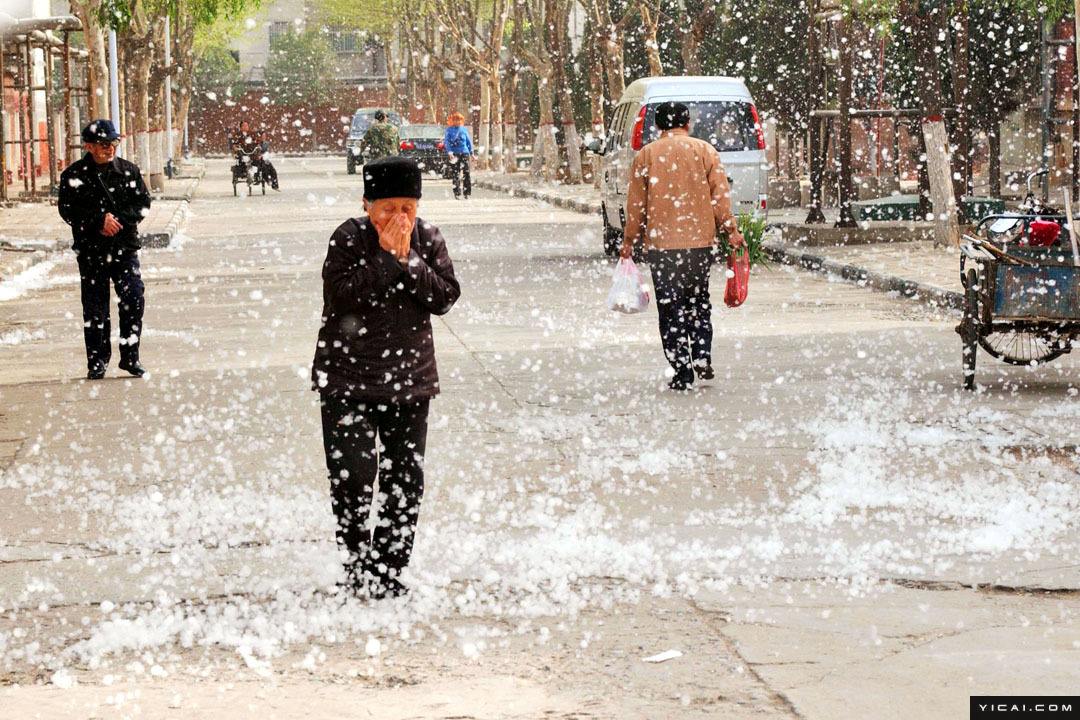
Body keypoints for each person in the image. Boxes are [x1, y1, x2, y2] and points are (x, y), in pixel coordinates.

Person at [312, 156, 461, 600]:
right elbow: (342, 297)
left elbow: (445, 297)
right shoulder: (348, 238)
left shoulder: (428, 238)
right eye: (387, 209)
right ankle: (356, 565)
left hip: (409, 379)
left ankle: (390, 569)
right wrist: (384, 258)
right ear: (367, 204)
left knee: (404, 479)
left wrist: (409, 260)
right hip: (346, 378)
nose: (399, 218)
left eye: (407, 209)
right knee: (352, 477)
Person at [620, 101, 745, 391]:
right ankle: (701, 353)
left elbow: (636, 205)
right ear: (686, 123)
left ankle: (682, 369)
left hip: (662, 246)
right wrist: (731, 229)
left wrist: (628, 241)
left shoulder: (646, 155)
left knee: (670, 308)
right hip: (699, 243)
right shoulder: (704, 151)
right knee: (698, 301)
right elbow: (720, 196)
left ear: (659, 126)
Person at [58, 119, 152, 380]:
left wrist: (117, 220)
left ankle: (130, 357)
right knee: (95, 307)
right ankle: (97, 361)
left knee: (133, 299)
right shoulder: (74, 176)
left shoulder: (128, 171)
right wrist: (99, 220)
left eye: (112, 143)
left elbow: (143, 204)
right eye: (102, 144)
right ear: (88, 146)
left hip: (124, 247)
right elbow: (68, 210)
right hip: (91, 251)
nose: (109, 148)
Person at [229, 120, 279, 190]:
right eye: (244, 125)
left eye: (247, 125)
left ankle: (271, 182)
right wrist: (235, 148)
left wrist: (258, 148)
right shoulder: (237, 135)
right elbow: (234, 145)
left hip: (253, 155)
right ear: (240, 127)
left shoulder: (252, 134)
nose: (246, 127)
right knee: (242, 164)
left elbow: (258, 143)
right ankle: (262, 178)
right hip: (242, 155)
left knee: (265, 165)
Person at [443, 112, 473, 199]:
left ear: (461, 120)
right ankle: (457, 193)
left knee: (466, 173)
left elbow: (468, 142)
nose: (457, 121)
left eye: (459, 120)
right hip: (454, 154)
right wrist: (450, 152)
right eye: (455, 119)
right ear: (452, 121)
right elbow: (447, 142)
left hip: (464, 153)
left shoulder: (464, 129)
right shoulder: (449, 130)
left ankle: (467, 193)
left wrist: (472, 153)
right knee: (455, 173)